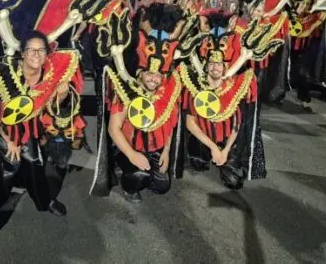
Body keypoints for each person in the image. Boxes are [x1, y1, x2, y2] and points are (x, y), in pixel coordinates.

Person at [0, 30, 84, 222]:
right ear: (23, 53)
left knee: (35, 162)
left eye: (41, 50)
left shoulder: (50, 75)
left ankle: (45, 201)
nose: (36, 55)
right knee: (10, 166)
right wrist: (10, 140)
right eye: (31, 50)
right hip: (1, 129)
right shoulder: (5, 74)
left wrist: (61, 96)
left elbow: (52, 112)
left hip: (28, 129)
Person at [180, 50, 257, 189]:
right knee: (198, 163)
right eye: (211, 64)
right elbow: (190, 123)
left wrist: (226, 150)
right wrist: (213, 147)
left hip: (227, 141)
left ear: (224, 68)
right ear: (206, 66)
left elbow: (236, 125)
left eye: (219, 64)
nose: (215, 68)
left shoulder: (233, 89)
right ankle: (205, 157)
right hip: (203, 140)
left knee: (234, 182)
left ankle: (222, 159)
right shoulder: (197, 89)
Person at [106, 61, 181, 203]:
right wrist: (132, 155)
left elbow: (169, 125)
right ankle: (128, 185)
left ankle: (140, 173)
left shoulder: (166, 95)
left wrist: (166, 151)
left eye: (158, 75)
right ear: (140, 74)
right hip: (127, 148)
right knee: (139, 175)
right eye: (149, 73)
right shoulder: (126, 93)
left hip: (154, 149)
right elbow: (113, 129)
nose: (153, 79)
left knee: (162, 187)